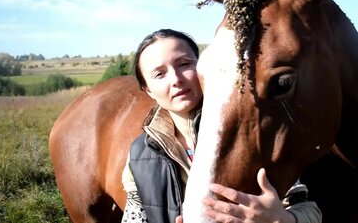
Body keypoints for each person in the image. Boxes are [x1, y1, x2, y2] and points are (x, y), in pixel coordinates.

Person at [121, 29, 322, 223]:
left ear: (202, 69)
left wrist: (283, 219)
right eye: (159, 74)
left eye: (184, 64)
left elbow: (308, 210)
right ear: (148, 90)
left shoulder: (250, 131)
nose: (176, 79)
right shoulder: (140, 154)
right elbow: (135, 216)